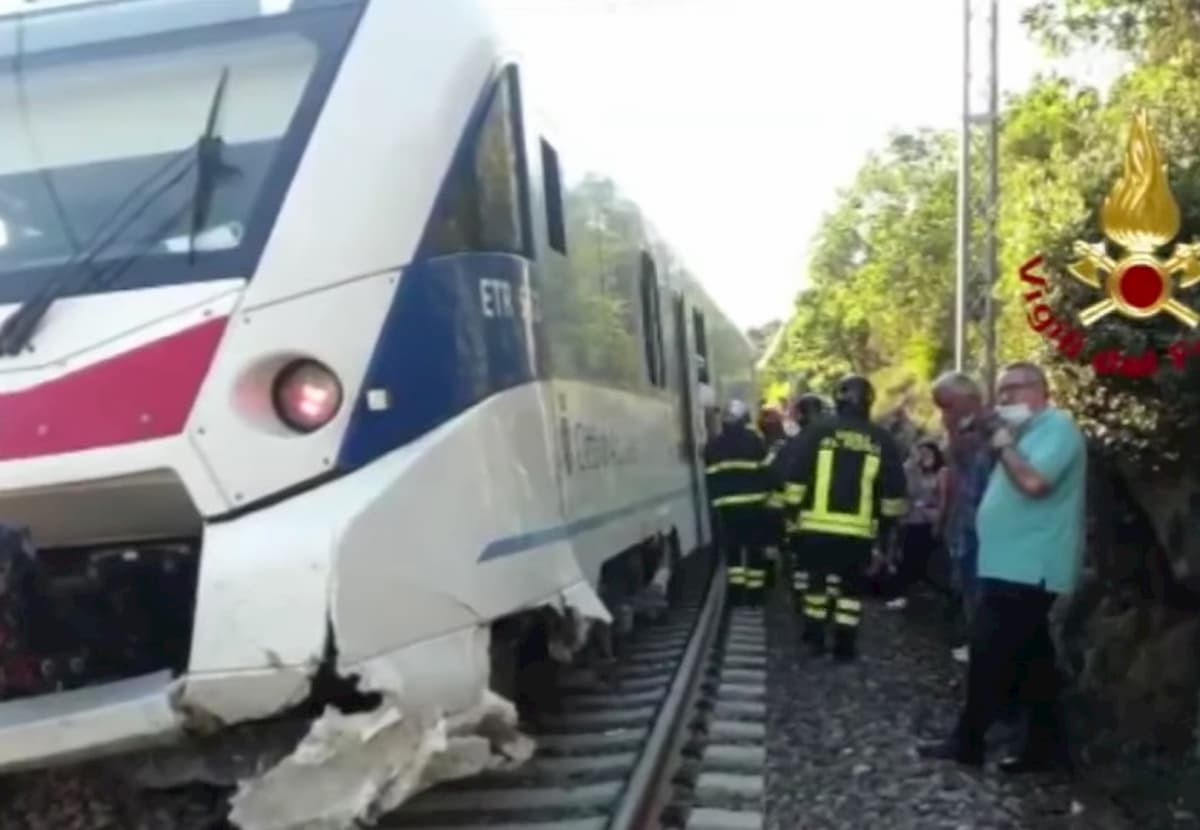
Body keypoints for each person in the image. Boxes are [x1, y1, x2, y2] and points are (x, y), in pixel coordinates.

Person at [918, 361, 1086, 771]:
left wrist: (1001, 443)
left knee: (988, 651)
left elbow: (1034, 483)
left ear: (1042, 390)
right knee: (1033, 660)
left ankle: (969, 742)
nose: (1007, 396)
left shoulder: (1058, 428)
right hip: (1009, 562)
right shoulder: (1022, 433)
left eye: (1016, 387)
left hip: (1030, 563)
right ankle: (1046, 749)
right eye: (1002, 390)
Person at [782, 376, 907, 660]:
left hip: (814, 528)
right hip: (857, 533)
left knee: (816, 587)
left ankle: (815, 640)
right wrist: (886, 530)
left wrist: (791, 512)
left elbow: (796, 475)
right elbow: (894, 490)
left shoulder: (817, 432)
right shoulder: (881, 439)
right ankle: (845, 647)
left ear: (837, 399)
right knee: (850, 593)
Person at [931, 371, 992, 663]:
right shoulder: (963, 430)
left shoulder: (982, 430)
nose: (944, 416)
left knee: (979, 592)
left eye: (947, 406)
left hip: (982, 527)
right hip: (965, 522)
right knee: (966, 588)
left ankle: (983, 649)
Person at [703, 400, 771, 607]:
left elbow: (711, 477)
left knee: (733, 550)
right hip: (755, 506)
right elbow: (768, 471)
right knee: (755, 549)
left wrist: (715, 503)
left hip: (727, 508)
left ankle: (736, 593)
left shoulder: (713, 445)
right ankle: (755, 595)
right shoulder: (755, 441)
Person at [773, 393, 828, 612]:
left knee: (800, 562)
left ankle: (800, 601)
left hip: (798, 517)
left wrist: (784, 513)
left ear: (799, 417)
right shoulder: (833, 442)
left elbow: (778, 478)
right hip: (830, 517)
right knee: (825, 568)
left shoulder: (791, 446)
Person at [885, 439, 947, 610]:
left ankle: (920, 593)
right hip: (910, 520)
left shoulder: (941, 472)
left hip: (929, 521)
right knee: (906, 558)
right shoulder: (912, 471)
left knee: (924, 559)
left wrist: (938, 520)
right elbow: (908, 490)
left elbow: (943, 499)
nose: (925, 456)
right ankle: (903, 593)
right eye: (922, 453)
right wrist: (913, 464)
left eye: (928, 453)